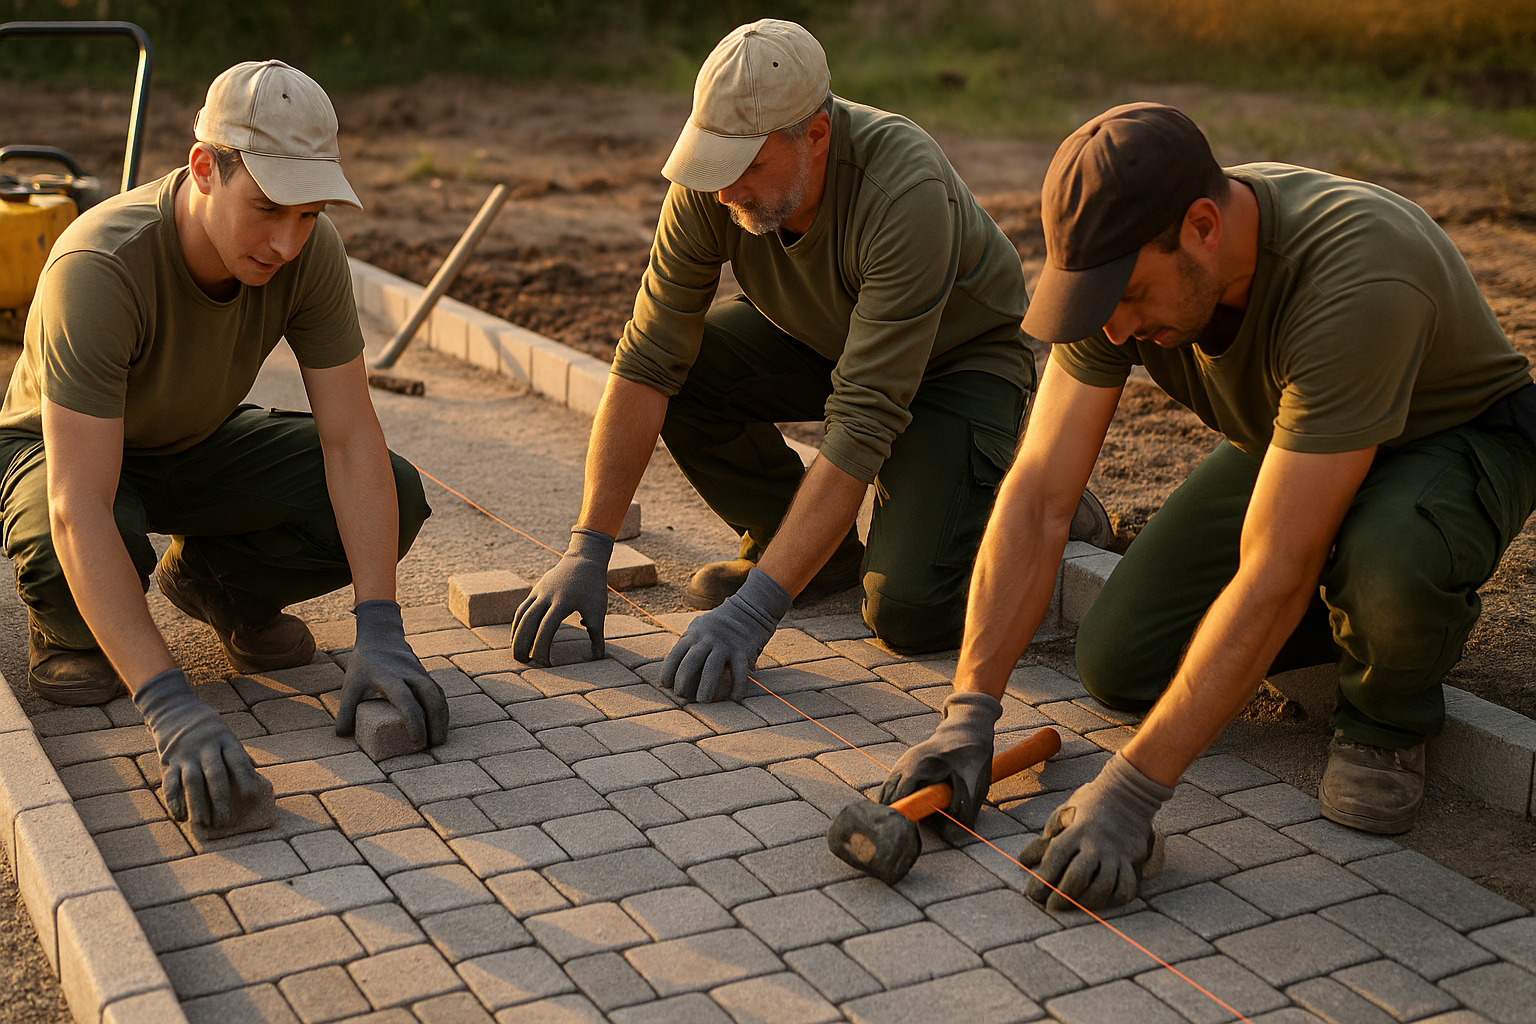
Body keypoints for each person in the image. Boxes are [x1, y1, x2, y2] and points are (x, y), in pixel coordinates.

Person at [879, 102, 1536, 910]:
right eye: (1095, 303)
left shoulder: (1356, 277)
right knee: (1122, 663)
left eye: (1128, 296)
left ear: (1201, 227)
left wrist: (1133, 790)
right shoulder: (1112, 275)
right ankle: (1345, 600)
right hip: (1296, 438)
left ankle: (1388, 718)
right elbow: (1041, 491)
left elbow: (1272, 572)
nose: (1112, 328)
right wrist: (969, 709)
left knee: (1389, 562)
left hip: (1447, 440)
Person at [512, 19, 1108, 698]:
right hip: (826, 337)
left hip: (956, 362)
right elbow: (647, 360)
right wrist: (589, 547)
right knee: (688, 374)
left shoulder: (902, 191)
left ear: (815, 137)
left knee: (907, 612)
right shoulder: (714, 180)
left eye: (747, 167)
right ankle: (809, 559)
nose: (724, 190)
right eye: (713, 163)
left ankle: (1018, 493)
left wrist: (756, 610)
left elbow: (859, 425)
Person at [0, 60, 448, 830]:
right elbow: (81, 503)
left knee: (394, 492)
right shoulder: (100, 267)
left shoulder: (311, 252)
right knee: (79, 565)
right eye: (268, 209)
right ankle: (67, 625)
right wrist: (170, 704)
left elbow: (349, 441)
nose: (285, 242)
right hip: (62, 455)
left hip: (195, 440)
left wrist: (380, 622)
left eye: (307, 215)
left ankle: (218, 588)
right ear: (205, 168)